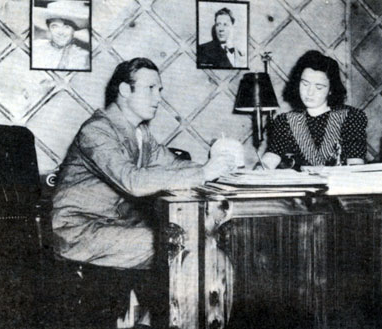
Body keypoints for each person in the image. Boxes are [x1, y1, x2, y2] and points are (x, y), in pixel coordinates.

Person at [51, 57, 236, 327]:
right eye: (151, 88)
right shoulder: (97, 130)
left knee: (197, 241)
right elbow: (133, 181)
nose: (158, 98)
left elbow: (173, 165)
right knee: (179, 247)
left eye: (159, 90)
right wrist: (204, 172)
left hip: (114, 226)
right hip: (79, 230)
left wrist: (221, 168)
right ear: (125, 90)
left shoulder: (141, 133)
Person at [258, 50, 367, 170]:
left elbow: (356, 165)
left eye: (319, 87)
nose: (310, 92)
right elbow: (271, 157)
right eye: (305, 84)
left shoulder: (350, 117)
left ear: (331, 89)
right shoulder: (285, 121)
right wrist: (260, 169)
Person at [32, 1, 89, 70]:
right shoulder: (36, 47)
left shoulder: (83, 57)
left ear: (74, 30)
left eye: (66, 27)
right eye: (54, 26)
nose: (60, 32)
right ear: (49, 29)